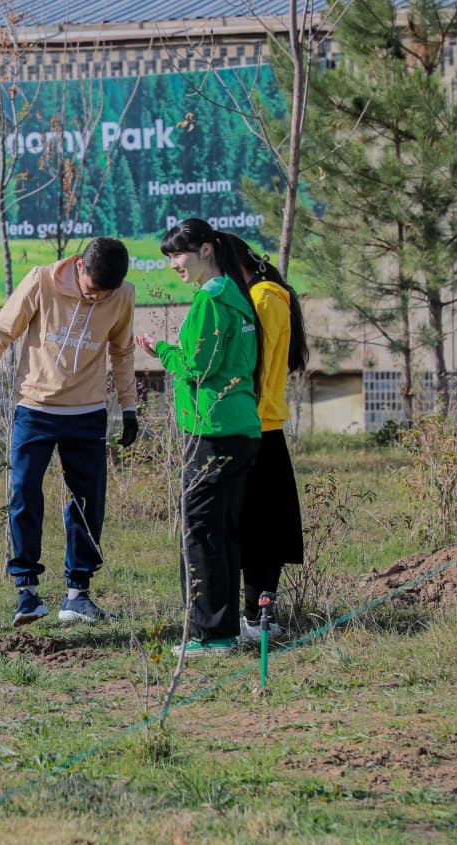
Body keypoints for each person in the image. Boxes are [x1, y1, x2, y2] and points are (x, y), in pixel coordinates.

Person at [0, 237, 138, 628]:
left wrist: (129, 408)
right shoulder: (42, 281)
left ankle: (78, 595)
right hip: (36, 408)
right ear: (80, 267)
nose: (98, 299)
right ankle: (26, 592)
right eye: (93, 290)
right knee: (24, 492)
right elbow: (0, 331)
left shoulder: (123, 295)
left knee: (87, 501)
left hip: (88, 413)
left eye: (105, 294)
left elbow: (123, 351)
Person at [136, 219, 262, 657]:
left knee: (200, 532)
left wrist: (163, 352)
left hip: (212, 428)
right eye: (170, 257)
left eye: (179, 255)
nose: (174, 265)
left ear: (206, 249)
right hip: (241, 426)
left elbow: (199, 369)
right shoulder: (237, 296)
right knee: (223, 533)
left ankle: (210, 635)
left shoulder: (209, 301)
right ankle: (223, 630)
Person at [222, 233, 309, 643]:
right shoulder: (265, 295)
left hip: (258, 426)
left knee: (260, 532)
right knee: (257, 529)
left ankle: (259, 619)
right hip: (256, 424)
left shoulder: (264, 299)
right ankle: (255, 616)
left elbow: (253, 364)